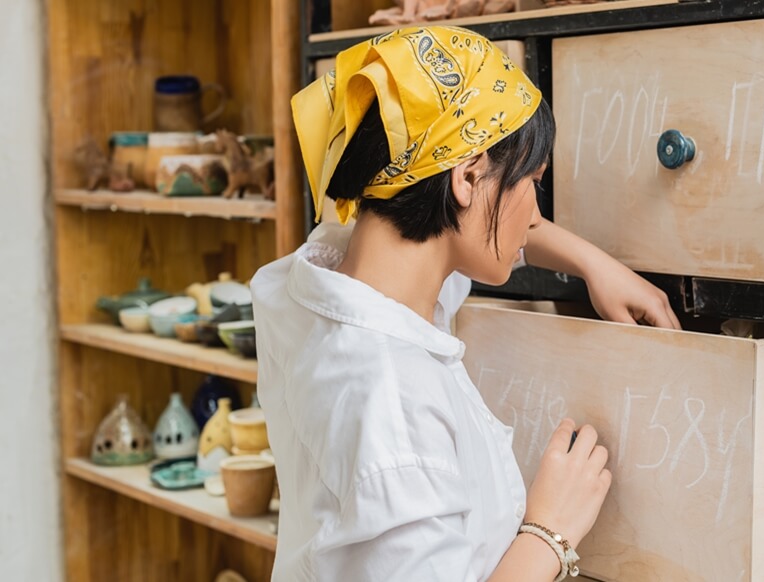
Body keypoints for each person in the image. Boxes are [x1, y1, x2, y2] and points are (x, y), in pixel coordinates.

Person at [251, 26, 680, 581]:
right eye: (534, 183)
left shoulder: (331, 282)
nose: (535, 213)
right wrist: (550, 530)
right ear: (468, 175)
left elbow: (464, 230)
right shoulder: (390, 399)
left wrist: (595, 263)